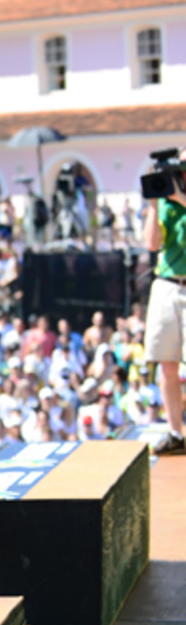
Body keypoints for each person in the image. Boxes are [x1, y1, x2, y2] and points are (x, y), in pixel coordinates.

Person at [143, 167, 186, 454]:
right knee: (166, 363)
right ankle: (175, 432)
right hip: (167, 284)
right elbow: (152, 243)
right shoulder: (167, 205)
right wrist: (154, 204)